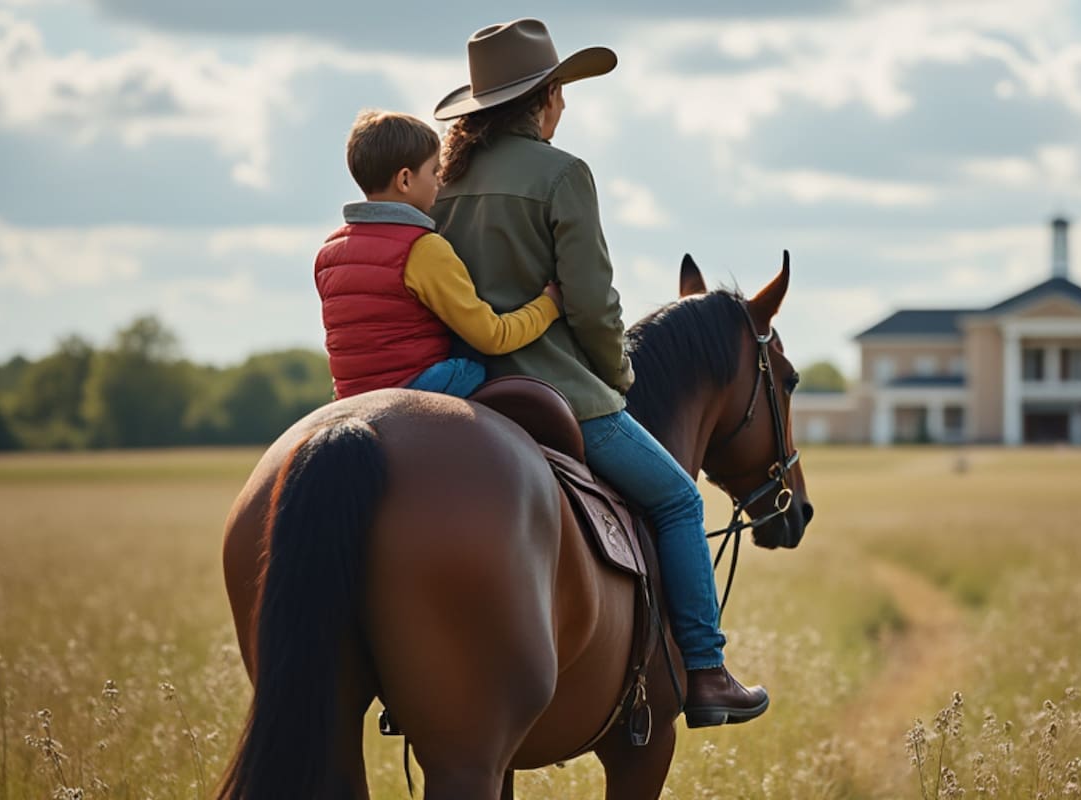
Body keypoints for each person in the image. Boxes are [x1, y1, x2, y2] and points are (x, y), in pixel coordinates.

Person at [430, 18, 769, 728]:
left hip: (462, 391)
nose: (565, 105)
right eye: (562, 92)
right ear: (545, 97)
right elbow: (590, 302)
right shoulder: (563, 173)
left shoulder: (446, 179)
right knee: (679, 501)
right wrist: (617, 378)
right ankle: (705, 673)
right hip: (563, 394)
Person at [315, 109, 563, 400]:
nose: (439, 182)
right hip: (415, 387)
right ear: (405, 180)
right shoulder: (422, 248)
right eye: (434, 171)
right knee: (476, 365)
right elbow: (493, 336)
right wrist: (549, 305)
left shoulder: (329, 251)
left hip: (350, 396)